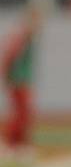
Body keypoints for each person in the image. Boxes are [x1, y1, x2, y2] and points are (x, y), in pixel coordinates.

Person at [1, 8, 41, 158]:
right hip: (18, 80)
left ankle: (17, 143)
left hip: (22, 80)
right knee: (22, 113)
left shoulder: (28, 38)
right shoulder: (21, 37)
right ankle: (13, 144)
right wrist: (7, 76)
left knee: (23, 113)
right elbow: (9, 56)